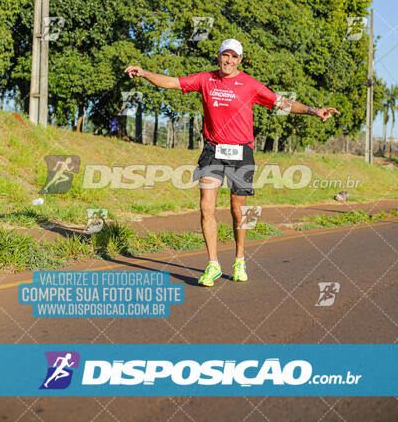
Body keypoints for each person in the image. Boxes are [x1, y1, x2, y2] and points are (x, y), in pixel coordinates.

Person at [124, 38, 340, 286]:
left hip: (241, 153)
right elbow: (173, 82)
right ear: (219, 56)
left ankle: (239, 259)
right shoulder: (206, 79)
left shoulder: (250, 84)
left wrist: (314, 110)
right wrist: (144, 73)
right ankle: (213, 264)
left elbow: (282, 103)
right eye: (225, 55)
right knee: (206, 207)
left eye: (234, 57)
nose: (229, 60)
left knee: (238, 211)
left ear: (240, 60)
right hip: (213, 151)